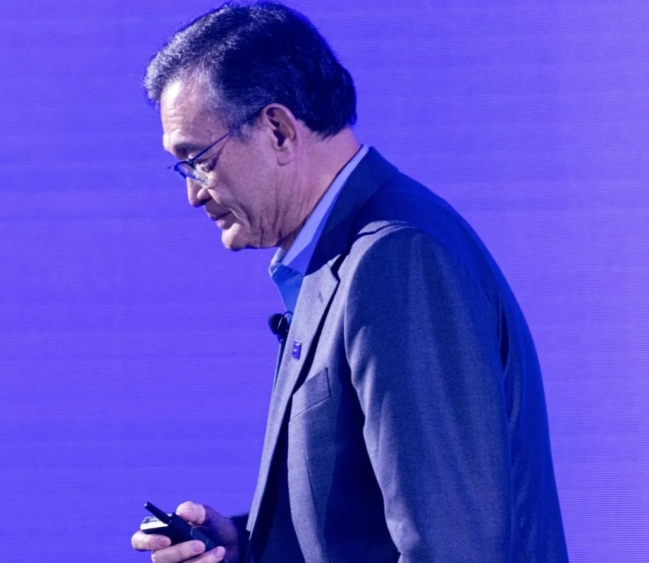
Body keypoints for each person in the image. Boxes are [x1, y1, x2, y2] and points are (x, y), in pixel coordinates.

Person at [131, 2, 569, 562]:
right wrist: (246, 551)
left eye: (198, 160)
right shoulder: (349, 254)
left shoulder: (396, 258)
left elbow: (452, 550)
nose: (194, 193)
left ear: (278, 131)